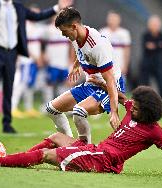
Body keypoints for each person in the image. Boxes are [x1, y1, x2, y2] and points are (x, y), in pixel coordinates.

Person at [0, 85, 162, 180]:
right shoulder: (131, 107)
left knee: (47, 155)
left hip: (103, 161)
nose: (131, 107)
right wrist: (99, 78)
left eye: (135, 108)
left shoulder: (154, 131)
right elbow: (118, 93)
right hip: (95, 150)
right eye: (132, 104)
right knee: (55, 138)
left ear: (147, 112)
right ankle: (20, 160)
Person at [0, 0, 73, 133]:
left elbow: (37, 16)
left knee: (9, 88)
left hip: (12, 52)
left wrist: (57, 7)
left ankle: (7, 124)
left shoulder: (18, 7)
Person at [45, 7, 124, 144]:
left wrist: (114, 112)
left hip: (106, 87)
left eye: (64, 31)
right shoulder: (77, 34)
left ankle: (85, 152)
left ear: (74, 26)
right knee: (51, 109)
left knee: (78, 112)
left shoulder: (97, 46)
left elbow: (110, 80)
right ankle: (67, 145)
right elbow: (81, 50)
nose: (64, 35)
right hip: (91, 84)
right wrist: (77, 64)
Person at [40, 16, 72, 112]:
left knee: (64, 84)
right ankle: (48, 105)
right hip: (52, 63)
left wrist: (71, 60)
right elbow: (42, 45)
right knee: (49, 83)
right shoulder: (48, 30)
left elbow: (71, 45)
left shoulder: (67, 29)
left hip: (64, 63)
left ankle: (63, 106)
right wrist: (43, 55)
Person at [139, 15, 162, 101]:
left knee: (161, 83)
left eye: (156, 24)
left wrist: (154, 46)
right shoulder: (145, 35)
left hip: (158, 62)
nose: (155, 26)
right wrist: (158, 46)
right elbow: (146, 47)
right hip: (147, 62)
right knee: (144, 85)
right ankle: (143, 103)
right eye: (153, 24)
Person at [99, 11, 131, 80]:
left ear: (119, 20)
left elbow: (127, 51)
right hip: (106, 64)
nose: (112, 21)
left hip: (119, 64)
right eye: (111, 18)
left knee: (119, 86)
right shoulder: (102, 32)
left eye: (114, 19)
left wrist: (125, 65)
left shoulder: (124, 33)